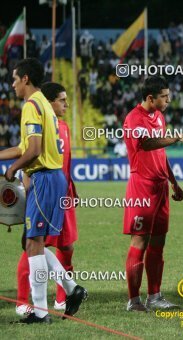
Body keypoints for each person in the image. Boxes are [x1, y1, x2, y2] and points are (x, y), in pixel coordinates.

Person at [0, 58, 86, 324]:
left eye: (14, 79)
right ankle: (71, 289)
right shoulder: (43, 105)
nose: (12, 84)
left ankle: (40, 312)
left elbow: (33, 151)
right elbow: (27, 146)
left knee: (34, 244)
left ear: (25, 78)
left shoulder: (31, 106)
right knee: (32, 242)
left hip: (44, 178)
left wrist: (13, 168)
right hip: (51, 178)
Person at [123, 76, 183, 312]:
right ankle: (133, 300)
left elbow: (160, 152)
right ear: (151, 98)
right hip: (142, 186)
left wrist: (174, 182)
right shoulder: (133, 119)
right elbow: (147, 144)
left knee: (159, 242)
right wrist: (178, 137)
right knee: (140, 240)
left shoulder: (158, 116)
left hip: (160, 186)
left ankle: (154, 296)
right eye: (164, 96)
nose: (169, 100)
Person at [15, 82, 79, 316]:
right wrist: (25, 179)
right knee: (32, 244)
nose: (66, 104)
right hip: (44, 188)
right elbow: (29, 153)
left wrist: (73, 188)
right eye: (62, 100)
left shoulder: (63, 127)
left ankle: (63, 297)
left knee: (64, 246)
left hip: (61, 191)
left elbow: (66, 160)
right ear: (49, 102)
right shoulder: (40, 120)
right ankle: (25, 301)